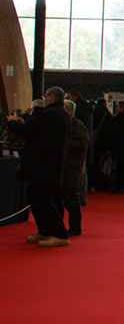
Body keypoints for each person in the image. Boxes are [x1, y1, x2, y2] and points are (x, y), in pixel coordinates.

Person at [7, 87, 71, 246]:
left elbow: (27, 131)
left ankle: (58, 234)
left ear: (51, 98)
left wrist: (13, 123)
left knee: (42, 200)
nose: (44, 99)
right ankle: (45, 231)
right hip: (51, 164)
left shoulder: (47, 114)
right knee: (40, 198)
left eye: (46, 96)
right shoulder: (62, 115)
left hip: (42, 164)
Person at [61, 99, 89, 236]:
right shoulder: (64, 125)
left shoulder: (78, 126)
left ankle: (75, 227)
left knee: (71, 199)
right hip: (63, 166)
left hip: (72, 167)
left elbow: (81, 145)